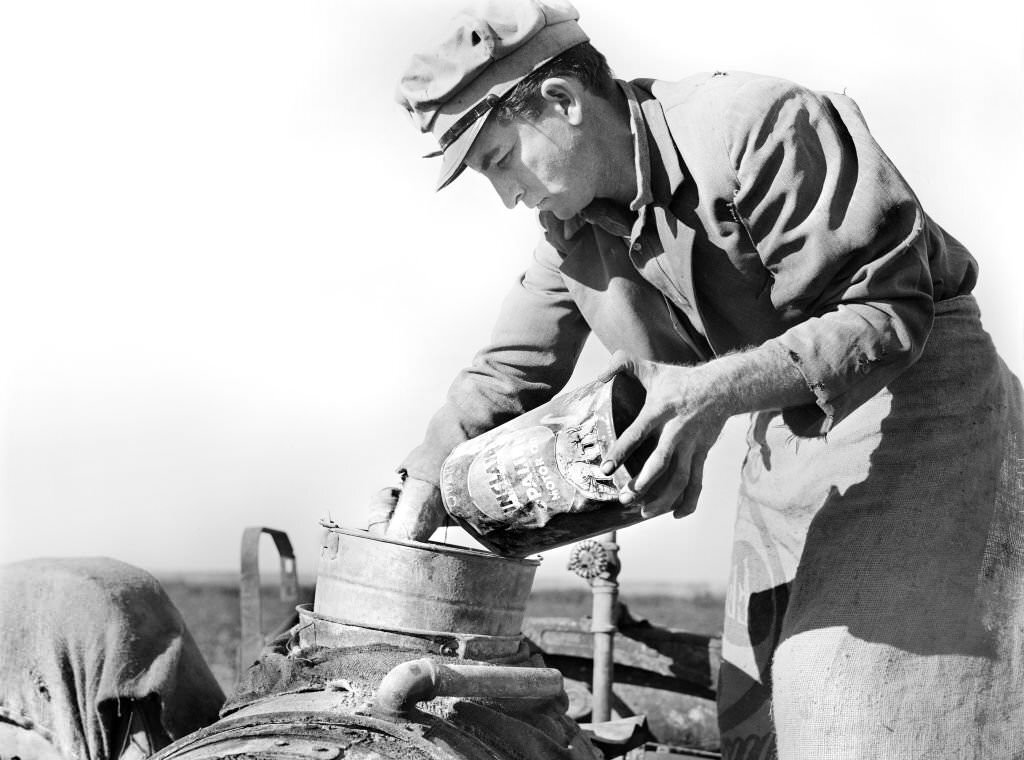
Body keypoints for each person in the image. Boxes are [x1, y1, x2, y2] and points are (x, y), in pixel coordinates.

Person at [373, 1, 1024, 758]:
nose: (508, 194)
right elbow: (509, 369)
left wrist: (711, 392)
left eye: (500, 160)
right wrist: (422, 478)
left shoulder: (759, 126)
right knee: (757, 718)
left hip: (923, 400)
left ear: (561, 103)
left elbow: (887, 313)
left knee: (862, 708)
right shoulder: (571, 233)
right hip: (783, 420)